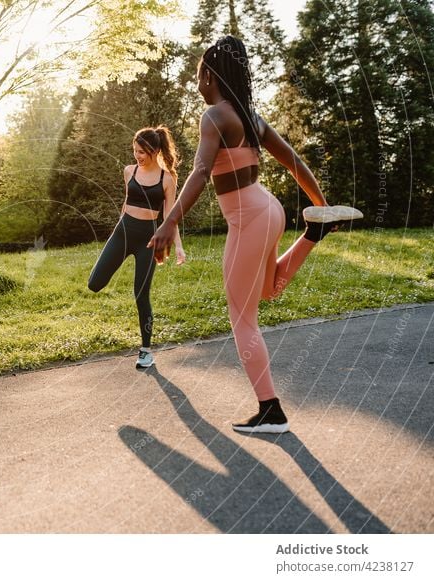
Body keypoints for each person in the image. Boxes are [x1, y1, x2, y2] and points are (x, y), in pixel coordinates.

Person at [148, 36, 362, 433]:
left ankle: (270, 410)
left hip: (249, 220)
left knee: (241, 318)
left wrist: (170, 220)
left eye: (198, 73)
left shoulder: (214, 116)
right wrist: (321, 203)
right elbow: (294, 161)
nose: (197, 81)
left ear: (209, 75)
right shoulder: (251, 117)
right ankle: (312, 234)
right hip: (270, 210)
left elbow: (197, 172)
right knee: (266, 290)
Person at [88, 127, 186, 369]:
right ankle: (143, 348)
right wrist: (116, 233)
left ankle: (146, 351)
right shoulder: (129, 171)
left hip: (148, 241)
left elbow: (169, 217)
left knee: (141, 294)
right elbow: (126, 203)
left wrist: (178, 247)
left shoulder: (167, 179)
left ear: (153, 151)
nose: (137, 156)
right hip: (122, 234)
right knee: (94, 283)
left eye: (142, 152)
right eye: (135, 151)